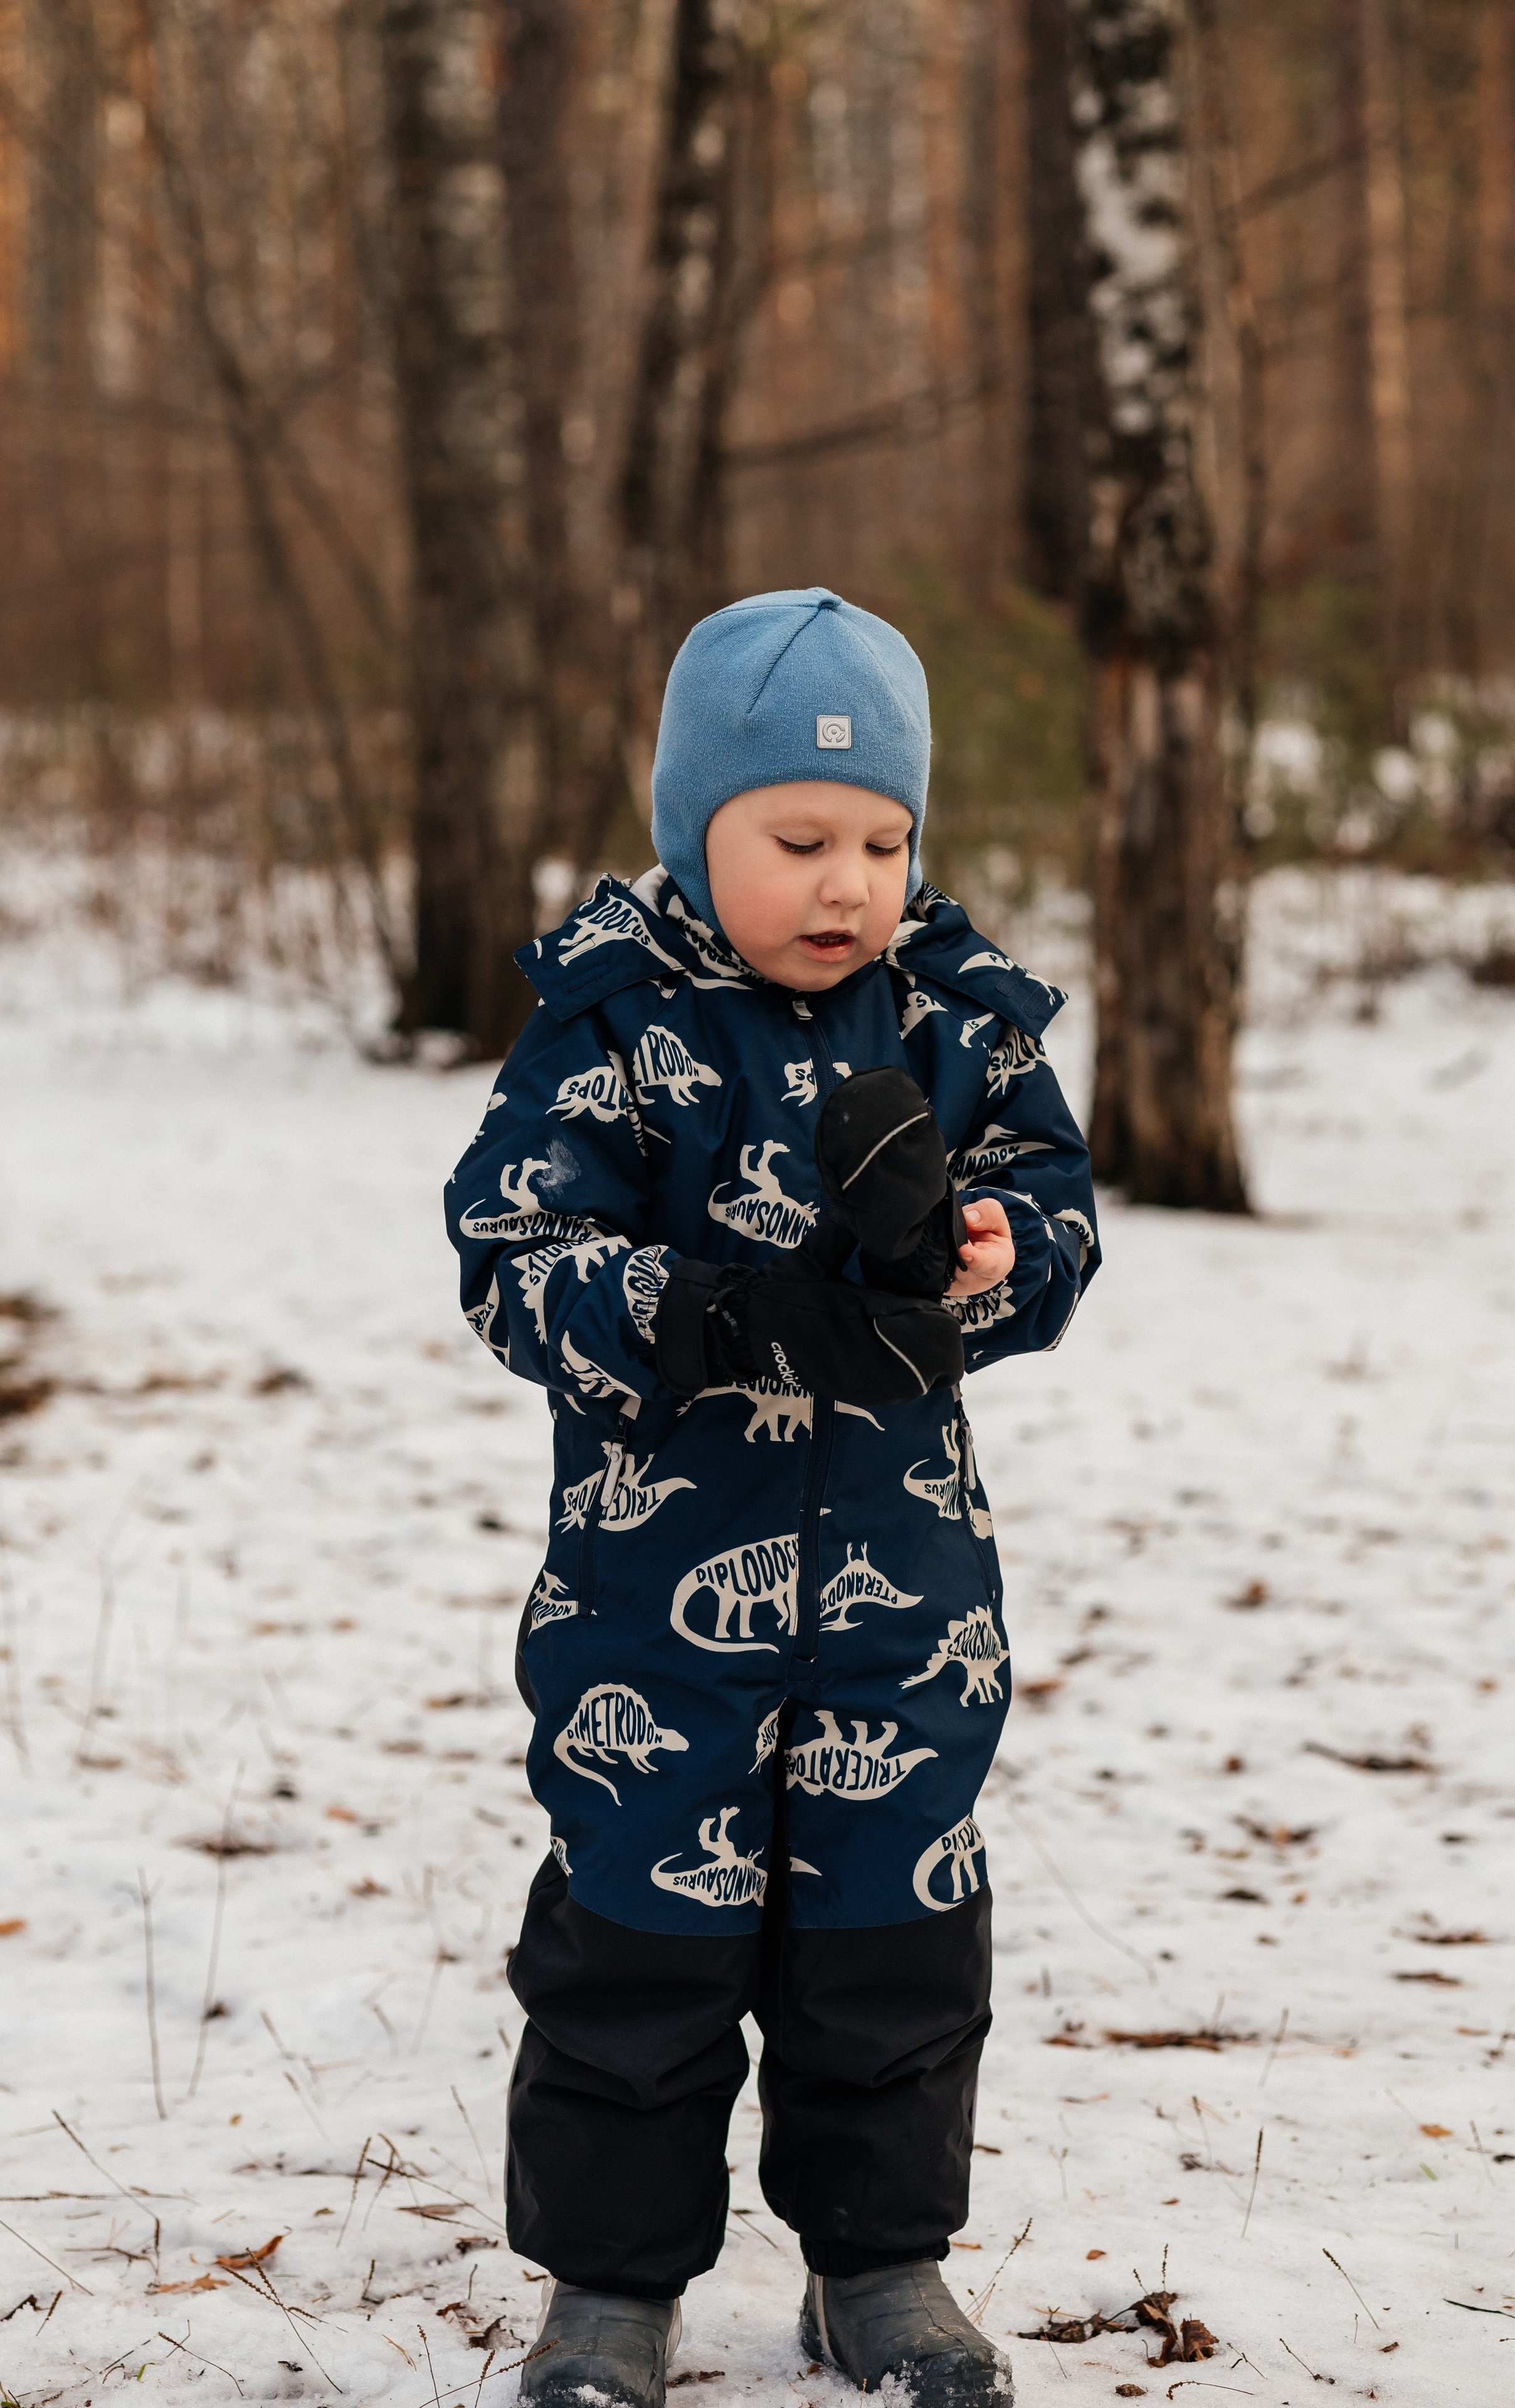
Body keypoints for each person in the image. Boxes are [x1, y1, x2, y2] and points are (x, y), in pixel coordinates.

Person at [444, 588, 1100, 2408]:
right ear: (693, 828)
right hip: (654, 1603)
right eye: (797, 839)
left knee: (892, 1938)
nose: (848, 881)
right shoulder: (610, 1020)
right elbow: (511, 1254)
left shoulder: (958, 1017)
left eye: (884, 839)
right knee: (638, 1940)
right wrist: (698, 1304)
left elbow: (1058, 1220)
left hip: (909, 1595)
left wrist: (988, 1252)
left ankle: (881, 2270)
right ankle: (609, 2290)